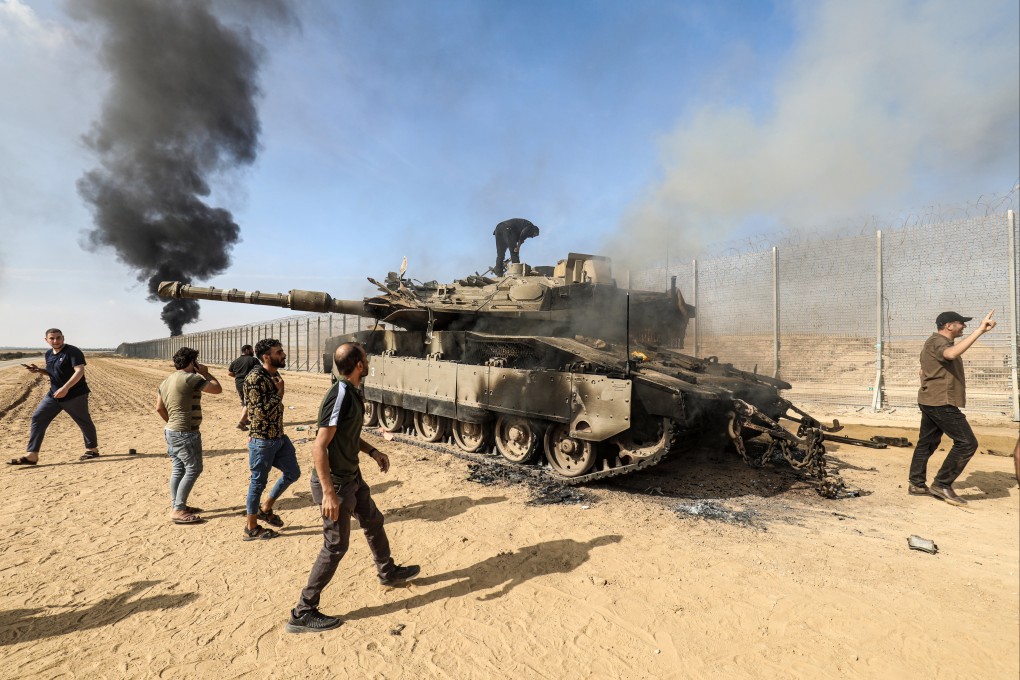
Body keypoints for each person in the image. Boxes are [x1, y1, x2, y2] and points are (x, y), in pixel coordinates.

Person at [287, 342, 420, 633]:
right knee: (335, 546)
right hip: (335, 484)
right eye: (366, 357)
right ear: (359, 365)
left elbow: (347, 434)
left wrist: (373, 452)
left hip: (352, 478)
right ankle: (302, 612)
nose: (369, 360)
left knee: (373, 520)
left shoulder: (351, 392)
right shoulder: (340, 395)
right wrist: (329, 493)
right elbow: (319, 446)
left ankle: (387, 572)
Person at [908, 310, 996, 506]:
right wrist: (980, 330)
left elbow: (923, 370)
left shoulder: (933, 342)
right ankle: (942, 484)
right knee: (967, 443)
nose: (964, 326)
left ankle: (916, 484)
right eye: (961, 323)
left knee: (927, 443)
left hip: (931, 399)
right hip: (940, 402)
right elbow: (951, 354)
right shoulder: (939, 342)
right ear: (948, 325)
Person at [9, 328, 100, 465]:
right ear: (46, 340)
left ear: (63, 338)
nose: (55, 341)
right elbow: (54, 373)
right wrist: (39, 371)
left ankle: (92, 449)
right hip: (54, 394)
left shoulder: (72, 351)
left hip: (74, 394)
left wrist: (65, 388)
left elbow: (79, 371)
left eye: (58, 338)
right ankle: (32, 455)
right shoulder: (48, 354)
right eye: (52, 338)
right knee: (38, 417)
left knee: (83, 421)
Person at [242, 338, 301, 540]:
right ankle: (251, 528)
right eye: (279, 352)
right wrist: (280, 394)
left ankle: (265, 507)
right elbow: (258, 413)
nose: (283, 355)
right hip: (262, 440)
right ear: (266, 357)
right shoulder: (255, 378)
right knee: (257, 483)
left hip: (278, 437)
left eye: (282, 351)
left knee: (293, 473)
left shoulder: (273, 375)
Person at [155, 347, 222, 524]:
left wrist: (173, 423)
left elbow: (159, 408)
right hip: (186, 432)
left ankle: (177, 504)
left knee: (178, 468)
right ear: (193, 362)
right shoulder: (190, 378)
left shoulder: (166, 381)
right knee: (194, 468)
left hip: (171, 430)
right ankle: (178, 510)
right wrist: (207, 374)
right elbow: (217, 389)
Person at [228, 344, 260, 431]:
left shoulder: (236, 361)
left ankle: (245, 420)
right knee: (248, 402)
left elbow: (230, 373)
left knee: (244, 401)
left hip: (238, 384)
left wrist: (239, 376)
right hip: (249, 384)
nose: (253, 351)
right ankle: (241, 422)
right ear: (246, 350)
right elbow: (259, 371)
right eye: (251, 350)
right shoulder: (253, 360)